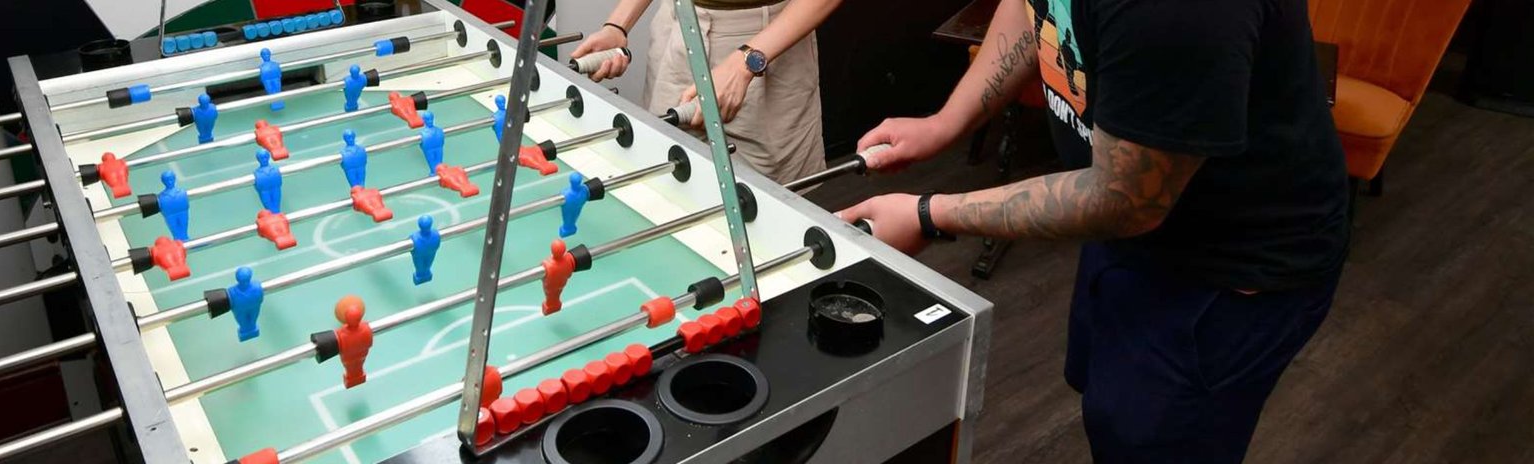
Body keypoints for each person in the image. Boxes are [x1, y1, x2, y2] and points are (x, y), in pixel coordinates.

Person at [837, 0, 1350, 462]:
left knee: (1150, 441)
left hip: (1229, 270)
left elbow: (1124, 200)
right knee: (1107, 406)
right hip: (1132, 224)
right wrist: (945, 122)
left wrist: (929, 213)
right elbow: (1034, 8)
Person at [570, 0, 840, 185]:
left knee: (767, 212)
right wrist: (617, 25)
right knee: (667, 187)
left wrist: (745, 63)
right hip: (678, 28)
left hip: (764, 41)